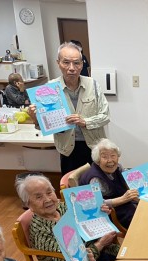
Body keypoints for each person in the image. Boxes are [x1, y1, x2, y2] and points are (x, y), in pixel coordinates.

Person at [15, 174, 118, 261]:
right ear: (28, 204)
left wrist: (101, 215)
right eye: (39, 197)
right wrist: (100, 244)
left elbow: (88, 224)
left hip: (98, 253)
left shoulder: (63, 207)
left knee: (127, 256)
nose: (48, 199)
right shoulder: (40, 232)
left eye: (49, 192)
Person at [28, 41, 110, 175]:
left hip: (94, 147)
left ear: (82, 64)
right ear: (58, 63)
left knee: (98, 183)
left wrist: (85, 122)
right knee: (71, 183)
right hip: (67, 148)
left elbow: (105, 116)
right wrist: (35, 119)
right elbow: (46, 125)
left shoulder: (93, 84)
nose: (71, 68)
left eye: (76, 63)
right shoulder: (48, 89)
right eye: (66, 62)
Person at [79, 138, 148, 229]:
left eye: (113, 156)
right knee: (144, 222)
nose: (110, 160)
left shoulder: (118, 167)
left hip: (126, 204)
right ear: (97, 161)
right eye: (105, 157)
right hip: (110, 213)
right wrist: (123, 199)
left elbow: (132, 181)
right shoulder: (95, 179)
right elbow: (97, 204)